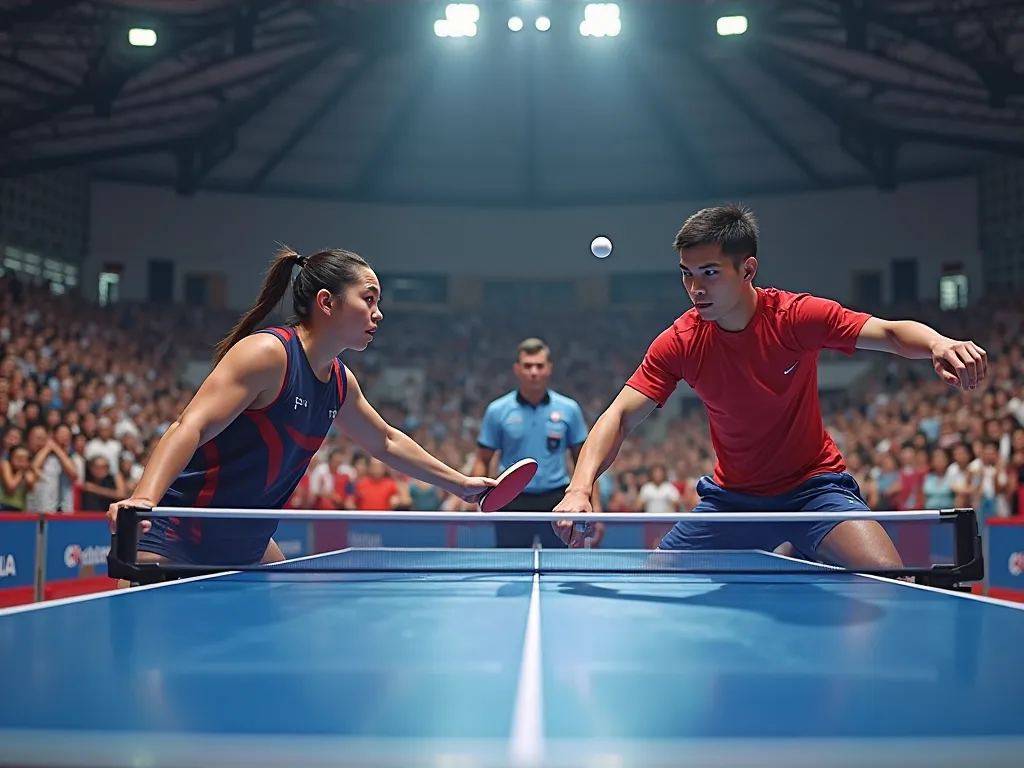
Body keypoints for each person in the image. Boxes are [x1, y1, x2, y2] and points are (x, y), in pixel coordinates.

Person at [553, 203, 988, 568]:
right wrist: (578, 489)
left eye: (709, 272)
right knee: (660, 574)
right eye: (686, 273)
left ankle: (792, 542)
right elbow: (620, 415)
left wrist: (938, 342)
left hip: (814, 491)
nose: (695, 288)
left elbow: (889, 333)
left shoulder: (797, 317)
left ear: (748, 269)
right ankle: (783, 547)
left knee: (889, 578)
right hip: (733, 502)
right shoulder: (681, 342)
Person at [107, 246, 496, 573]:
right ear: (327, 301)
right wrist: (144, 499)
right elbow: (190, 426)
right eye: (369, 299)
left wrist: (460, 484)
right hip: (179, 534)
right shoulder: (267, 355)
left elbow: (386, 441)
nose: (378, 314)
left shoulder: (340, 383)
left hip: (248, 544)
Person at [473, 337, 602, 548]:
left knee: (559, 572)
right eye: (528, 366)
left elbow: (586, 461)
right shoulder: (497, 411)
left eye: (539, 366)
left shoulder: (569, 409)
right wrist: (476, 503)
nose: (534, 372)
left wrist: (595, 506)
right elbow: (482, 459)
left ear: (549, 369)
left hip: (557, 501)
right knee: (510, 571)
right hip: (510, 500)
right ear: (517, 369)